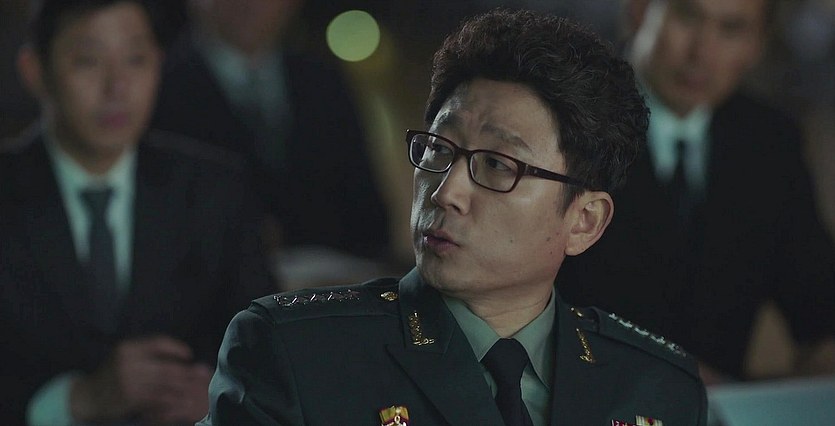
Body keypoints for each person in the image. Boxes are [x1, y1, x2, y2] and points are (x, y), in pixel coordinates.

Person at [198, 8, 708, 426]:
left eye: (498, 165)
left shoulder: (657, 389)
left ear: (585, 221)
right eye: (439, 150)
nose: (447, 192)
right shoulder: (297, 354)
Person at [0, 0, 277, 424]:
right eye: (87, 61)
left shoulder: (215, 190)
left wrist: (222, 396)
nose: (117, 87)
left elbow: (266, 345)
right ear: (35, 71)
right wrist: (75, 401)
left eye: (136, 59)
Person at [557, 0, 835, 383]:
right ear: (639, 11)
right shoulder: (565, 123)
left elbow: (819, 305)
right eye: (687, 16)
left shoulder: (771, 144)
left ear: (757, 45)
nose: (703, 52)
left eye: (731, 29)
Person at [150, 0, 396, 288]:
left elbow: (370, 216)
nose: (251, 5)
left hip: (334, 292)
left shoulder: (324, 80)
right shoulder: (156, 89)